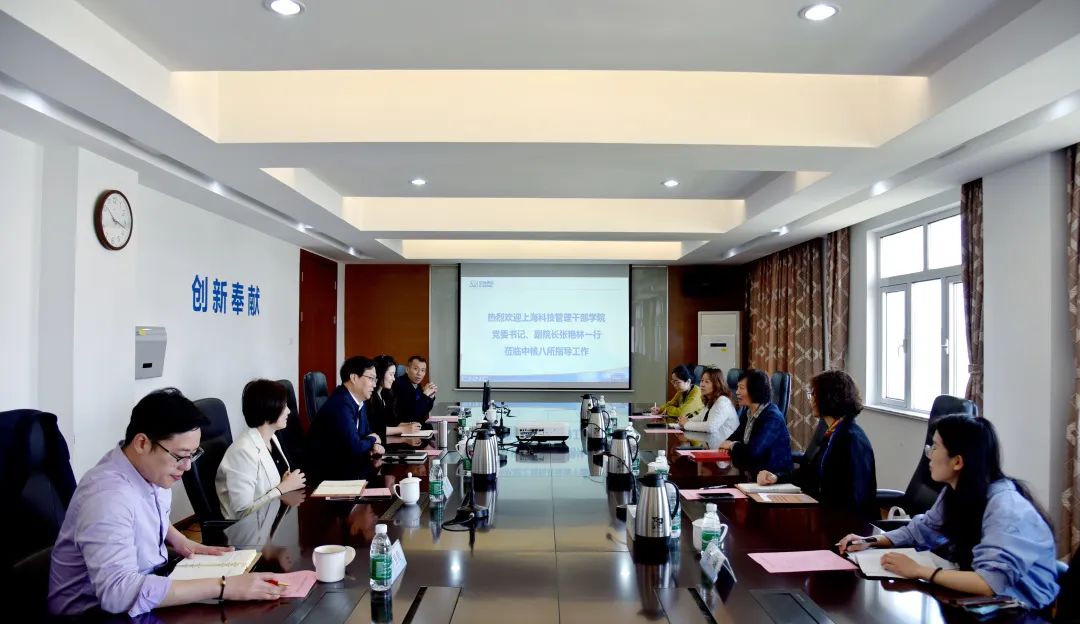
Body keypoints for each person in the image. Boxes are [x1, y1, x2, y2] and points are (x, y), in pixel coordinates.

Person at [49, 388, 284, 618]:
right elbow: (117, 594)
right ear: (142, 443)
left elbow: (145, 512)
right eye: (180, 456)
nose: (187, 466)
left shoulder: (148, 471)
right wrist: (223, 586)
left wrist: (180, 540)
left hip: (146, 581)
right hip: (94, 613)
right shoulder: (107, 497)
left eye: (193, 454)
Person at [838, 415, 1059, 610]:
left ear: (957, 461)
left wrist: (919, 571)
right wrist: (871, 541)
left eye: (934, 447)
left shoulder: (1006, 508)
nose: (929, 455)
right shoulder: (957, 491)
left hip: (1022, 610)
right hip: (979, 600)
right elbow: (922, 530)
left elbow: (989, 583)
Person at [756, 370, 876, 517]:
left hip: (846, 523)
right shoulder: (832, 432)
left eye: (813, 394)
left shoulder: (851, 439)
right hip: (825, 513)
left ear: (828, 397)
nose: (810, 400)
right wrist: (777, 478)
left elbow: (857, 497)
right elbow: (810, 474)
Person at [216, 380, 306, 520]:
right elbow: (241, 513)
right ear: (269, 409)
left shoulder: (272, 438)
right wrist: (283, 488)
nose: (289, 411)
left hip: (273, 517)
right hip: (249, 529)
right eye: (284, 406)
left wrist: (283, 484)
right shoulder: (242, 452)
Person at [307, 356, 386, 481]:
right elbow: (356, 447)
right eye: (371, 378)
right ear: (354, 378)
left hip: (349, 469)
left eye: (375, 379)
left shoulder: (359, 401)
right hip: (330, 476)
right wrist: (373, 440)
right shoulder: (340, 404)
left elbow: (366, 433)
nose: (375, 384)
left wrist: (374, 444)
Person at [718, 369, 792, 475]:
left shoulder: (772, 417)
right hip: (752, 472)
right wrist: (728, 445)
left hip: (772, 477)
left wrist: (731, 446)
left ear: (755, 390)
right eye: (737, 387)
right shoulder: (748, 412)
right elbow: (734, 437)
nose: (737, 392)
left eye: (741, 388)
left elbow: (754, 452)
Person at [368, 355, 422, 441]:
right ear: (380, 373)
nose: (393, 379)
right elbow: (375, 428)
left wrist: (407, 425)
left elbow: (391, 423)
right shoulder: (369, 398)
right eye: (391, 374)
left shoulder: (385, 395)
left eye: (394, 375)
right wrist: (403, 429)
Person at [678, 367, 739, 440]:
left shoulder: (723, 401)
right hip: (713, 441)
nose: (702, 384)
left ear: (717, 384)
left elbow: (711, 427)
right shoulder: (711, 400)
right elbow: (700, 418)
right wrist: (686, 420)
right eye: (702, 381)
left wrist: (686, 424)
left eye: (707, 382)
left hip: (727, 444)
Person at [392, 355, 437, 426]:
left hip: (417, 425)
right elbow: (412, 414)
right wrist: (425, 395)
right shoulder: (400, 384)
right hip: (407, 426)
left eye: (423, 370)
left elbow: (424, 411)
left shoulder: (416, 384)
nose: (419, 373)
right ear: (407, 370)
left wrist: (430, 397)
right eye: (416, 369)